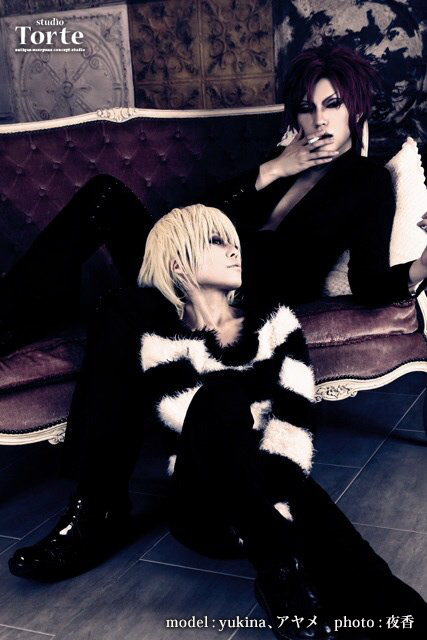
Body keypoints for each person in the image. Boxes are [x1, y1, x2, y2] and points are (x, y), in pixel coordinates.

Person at [8, 205, 427, 640]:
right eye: (216, 240)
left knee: (346, 548)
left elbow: (296, 419)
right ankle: (278, 561)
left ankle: (302, 582)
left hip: (272, 492)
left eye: (232, 239)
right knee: (221, 396)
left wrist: (274, 491)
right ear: (177, 264)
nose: (234, 249)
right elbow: (187, 421)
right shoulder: (159, 340)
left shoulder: (276, 323)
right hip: (203, 508)